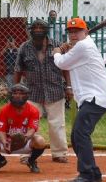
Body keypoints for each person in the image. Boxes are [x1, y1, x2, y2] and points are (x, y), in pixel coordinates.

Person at [53, 18, 106, 182]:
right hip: (92, 98)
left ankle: (87, 174)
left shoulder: (84, 46)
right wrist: (67, 50)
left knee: (80, 134)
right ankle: (93, 174)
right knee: (77, 136)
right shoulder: (82, 45)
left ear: (85, 32)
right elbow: (70, 60)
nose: (73, 34)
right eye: (71, 32)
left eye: (77, 31)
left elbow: (62, 63)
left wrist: (57, 51)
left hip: (96, 97)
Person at [14, 19, 72, 164]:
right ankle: (27, 154)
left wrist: (69, 87)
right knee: (29, 124)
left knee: (57, 123)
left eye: (41, 27)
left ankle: (59, 153)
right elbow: (18, 69)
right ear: (31, 30)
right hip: (32, 92)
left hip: (55, 90)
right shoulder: (24, 47)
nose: (38, 30)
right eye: (35, 27)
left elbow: (65, 68)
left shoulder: (58, 45)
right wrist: (15, 89)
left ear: (46, 30)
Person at [0, 84, 47, 173]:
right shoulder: (4, 110)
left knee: (40, 141)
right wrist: (4, 142)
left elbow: (32, 129)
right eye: (15, 93)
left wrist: (24, 138)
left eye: (21, 93)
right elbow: (1, 130)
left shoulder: (33, 110)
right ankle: (0, 160)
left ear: (26, 96)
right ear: (10, 95)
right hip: (7, 142)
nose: (17, 96)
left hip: (25, 142)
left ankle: (31, 161)